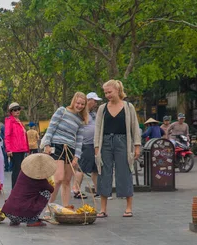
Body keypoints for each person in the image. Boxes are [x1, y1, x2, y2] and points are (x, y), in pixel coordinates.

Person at [94, 80, 141, 218]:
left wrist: (137, 146)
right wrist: (96, 147)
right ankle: (103, 209)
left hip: (123, 141)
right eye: (105, 92)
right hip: (106, 142)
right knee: (103, 173)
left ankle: (128, 207)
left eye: (110, 92)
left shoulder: (128, 106)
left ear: (118, 90)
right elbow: (97, 129)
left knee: (125, 171)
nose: (107, 95)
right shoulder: (102, 108)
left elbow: (134, 127)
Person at [40, 92, 87, 208]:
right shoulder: (62, 111)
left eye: (82, 104)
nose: (79, 106)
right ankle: (49, 206)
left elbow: (79, 140)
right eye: (78, 103)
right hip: (57, 146)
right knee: (58, 178)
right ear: (73, 101)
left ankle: (65, 207)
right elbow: (51, 127)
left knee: (67, 180)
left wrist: (77, 156)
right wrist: (47, 144)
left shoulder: (81, 120)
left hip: (70, 149)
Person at [1, 153, 56, 227]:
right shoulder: (40, 179)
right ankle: (32, 220)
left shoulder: (23, 172)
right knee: (46, 193)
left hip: (9, 212)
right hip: (22, 213)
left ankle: (15, 221)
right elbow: (51, 189)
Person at [74, 92, 101, 199]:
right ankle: (76, 189)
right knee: (82, 167)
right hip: (85, 144)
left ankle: (98, 190)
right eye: (94, 101)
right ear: (88, 101)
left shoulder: (92, 114)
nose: (95, 103)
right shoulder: (81, 113)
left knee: (95, 169)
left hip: (93, 144)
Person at [4, 102, 29, 188]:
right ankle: (14, 190)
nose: (17, 111)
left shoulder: (19, 121)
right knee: (16, 170)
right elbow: (7, 135)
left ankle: (18, 188)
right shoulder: (10, 121)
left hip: (21, 149)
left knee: (20, 170)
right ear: (11, 111)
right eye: (15, 110)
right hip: (14, 149)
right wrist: (8, 149)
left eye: (18, 109)